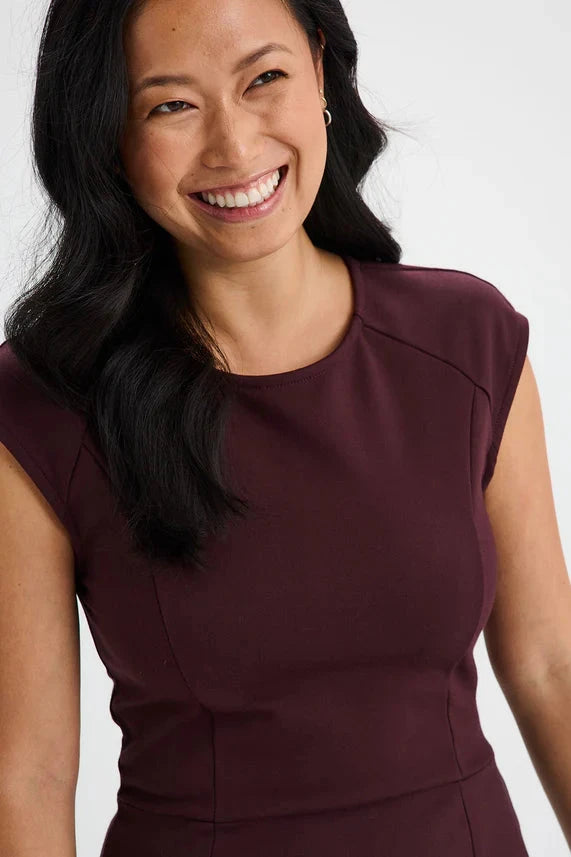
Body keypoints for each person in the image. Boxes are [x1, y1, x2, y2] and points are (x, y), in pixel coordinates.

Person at [1, 0, 570, 854]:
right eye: (170, 105)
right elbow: (29, 773)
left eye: (263, 77)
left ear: (319, 70)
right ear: (107, 137)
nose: (233, 147)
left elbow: (549, 668)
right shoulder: (41, 405)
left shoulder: (467, 342)